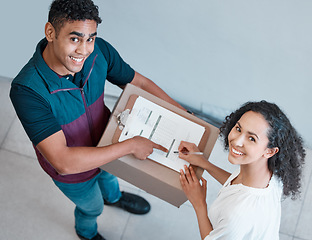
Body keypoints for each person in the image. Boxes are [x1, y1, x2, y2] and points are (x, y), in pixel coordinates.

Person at [9, 0, 186, 239]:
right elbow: (63, 161)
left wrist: (181, 113)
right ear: (50, 32)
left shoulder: (99, 52)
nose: (84, 50)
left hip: (108, 143)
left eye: (90, 38)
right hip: (75, 174)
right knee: (92, 206)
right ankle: (86, 231)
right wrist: (130, 146)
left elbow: (140, 83)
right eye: (75, 39)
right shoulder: (27, 90)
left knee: (109, 177)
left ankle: (114, 197)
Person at [178, 101, 306, 240]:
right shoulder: (267, 172)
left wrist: (199, 204)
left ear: (269, 151)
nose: (237, 141)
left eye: (251, 138)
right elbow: (237, 185)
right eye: (238, 129)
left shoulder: (237, 216)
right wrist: (204, 163)